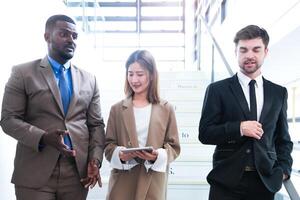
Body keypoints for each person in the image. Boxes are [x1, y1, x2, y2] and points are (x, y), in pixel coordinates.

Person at [0, 14, 105, 200]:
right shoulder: (22, 73)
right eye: (64, 34)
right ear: (47, 36)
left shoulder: (90, 79)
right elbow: (8, 119)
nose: (71, 40)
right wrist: (43, 137)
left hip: (76, 174)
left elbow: (96, 125)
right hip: (34, 172)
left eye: (74, 36)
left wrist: (95, 159)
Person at [198, 25, 293, 200]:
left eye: (256, 49)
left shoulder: (278, 93)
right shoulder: (217, 89)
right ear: (236, 52)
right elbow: (205, 133)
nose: (249, 55)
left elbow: (283, 139)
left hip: (264, 182)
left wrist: (284, 171)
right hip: (225, 181)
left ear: (265, 51)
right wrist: (239, 128)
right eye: (243, 50)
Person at [104, 50, 181, 200]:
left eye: (140, 74)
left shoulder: (166, 108)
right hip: (122, 183)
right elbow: (108, 146)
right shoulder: (117, 109)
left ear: (152, 75)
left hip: (152, 181)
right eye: (130, 74)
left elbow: (174, 147)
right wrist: (120, 154)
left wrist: (157, 155)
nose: (134, 80)